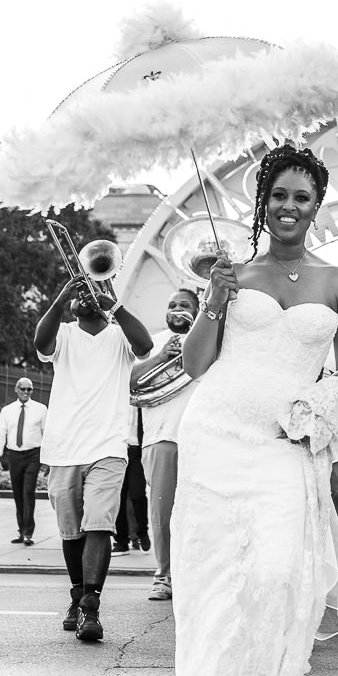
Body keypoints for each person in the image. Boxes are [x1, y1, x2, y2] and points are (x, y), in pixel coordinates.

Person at [170, 144, 338, 676]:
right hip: (215, 435)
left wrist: (316, 403)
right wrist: (214, 297)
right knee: (214, 574)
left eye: (301, 197)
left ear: (316, 205)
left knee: (278, 572)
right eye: (278, 195)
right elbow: (194, 365)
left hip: (288, 444)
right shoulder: (233, 276)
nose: (289, 205)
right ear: (262, 202)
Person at [34, 264, 155, 642]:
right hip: (63, 447)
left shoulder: (119, 336)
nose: (82, 298)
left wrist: (113, 305)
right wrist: (60, 297)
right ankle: (76, 596)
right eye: (79, 295)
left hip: (108, 446)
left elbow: (146, 345)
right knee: (71, 532)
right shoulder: (65, 334)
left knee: (99, 524)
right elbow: (41, 343)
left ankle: (91, 607)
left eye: (89, 294)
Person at [129, 286, 200, 601]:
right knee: (161, 512)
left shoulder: (206, 341)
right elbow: (128, 382)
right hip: (160, 437)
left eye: (184, 305)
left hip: (201, 438)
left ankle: (196, 576)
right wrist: (161, 357)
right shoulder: (151, 342)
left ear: (196, 312)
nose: (176, 309)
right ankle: (164, 576)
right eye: (172, 304)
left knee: (201, 512)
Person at [0, 377, 47, 547]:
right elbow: (1, 433)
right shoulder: (7, 411)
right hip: (14, 455)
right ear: (16, 390)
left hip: (33, 454)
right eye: (22, 389)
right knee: (18, 493)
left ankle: (28, 532)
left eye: (29, 389)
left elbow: (47, 434)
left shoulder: (41, 409)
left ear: (32, 391)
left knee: (28, 491)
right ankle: (21, 529)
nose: (25, 392)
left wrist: (48, 459)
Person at [112, 408, 150, 555]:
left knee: (138, 494)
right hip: (118, 450)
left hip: (137, 451)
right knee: (118, 497)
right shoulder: (115, 398)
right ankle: (121, 541)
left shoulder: (142, 400)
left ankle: (142, 532)